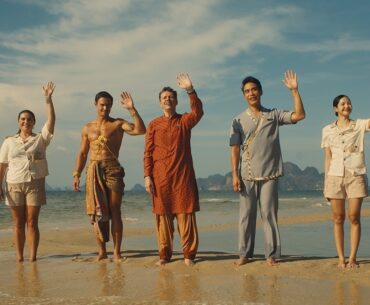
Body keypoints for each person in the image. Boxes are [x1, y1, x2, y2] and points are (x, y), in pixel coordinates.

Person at [229, 70, 305, 266]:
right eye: (247, 91)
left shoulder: (274, 114)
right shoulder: (237, 120)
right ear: (243, 95)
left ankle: (271, 255)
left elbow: (300, 115)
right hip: (247, 173)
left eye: (254, 89)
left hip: (270, 173)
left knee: (269, 215)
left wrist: (295, 91)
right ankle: (244, 254)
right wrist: (235, 175)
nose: (251, 93)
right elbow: (234, 149)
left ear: (260, 92)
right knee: (246, 216)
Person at [72, 90, 146, 261]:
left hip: (113, 169)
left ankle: (117, 252)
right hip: (93, 169)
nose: (105, 108)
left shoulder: (118, 124)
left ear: (111, 106)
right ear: (96, 105)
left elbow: (140, 130)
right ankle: (101, 251)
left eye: (108, 105)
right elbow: (83, 153)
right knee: (98, 211)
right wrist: (76, 174)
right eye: (102, 105)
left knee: (115, 210)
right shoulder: (87, 128)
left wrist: (132, 109)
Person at [144, 73, 203, 266]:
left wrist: (190, 90)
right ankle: (164, 255)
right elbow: (148, 152)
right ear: (160, 103)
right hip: (160, 178)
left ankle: (188, 255)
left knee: (185, 215)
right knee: (163, 218)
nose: (167, 99)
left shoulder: (184, 121)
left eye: (171, 97)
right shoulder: (153, 124)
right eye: (164, 98)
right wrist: (147, 176)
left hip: (182, 177)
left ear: (176, 101)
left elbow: (198, 113)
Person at [0, 82, 56, 262]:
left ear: (34, 123)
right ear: (19, 122)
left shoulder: (41, 139)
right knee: (18, 223)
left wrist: (48, 100)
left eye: (29, 119)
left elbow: (51, 121)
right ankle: (19, 258)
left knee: (32, 222)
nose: (26, 121)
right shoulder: (9, 141)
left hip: (35, 183)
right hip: (13, 184)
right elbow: (2, 165)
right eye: (23, 119)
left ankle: (32, 258)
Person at [321, 95, 369, 268]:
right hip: (334, 176)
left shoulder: (359, 125)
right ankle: (341, 258)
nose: (347, 106)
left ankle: (353, 258)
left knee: (354, 217)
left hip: (355, 175)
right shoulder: (327, 130)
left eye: (349, 103)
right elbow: (328, 158)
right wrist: (326, 184)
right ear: (335, 109)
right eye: (343, 103)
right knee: (338, 218)